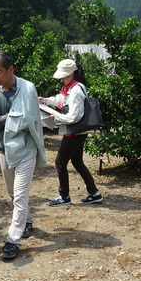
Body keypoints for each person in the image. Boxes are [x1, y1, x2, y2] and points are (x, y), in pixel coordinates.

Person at [0, 50, 47, 260]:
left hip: (26, 149)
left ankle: (12, 240)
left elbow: (32, 120)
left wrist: (11, 119)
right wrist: (13, 118)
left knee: (19, 195)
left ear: (10, 69)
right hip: (5, 150)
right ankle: (26, 221)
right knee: (12, 194)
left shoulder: (27, 88)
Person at [39, 59, 102, 207]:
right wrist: (45, 101)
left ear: (72, 74)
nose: (61, 78)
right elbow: (60, 100)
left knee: (60, 163)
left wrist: (57, 118)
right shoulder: (71, 87)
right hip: (77, 131)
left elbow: (75, 116)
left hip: (74, 132)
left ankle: (64, 196)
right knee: (77, 162)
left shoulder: (76, 91)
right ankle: (94, 193)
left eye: (64, 75)